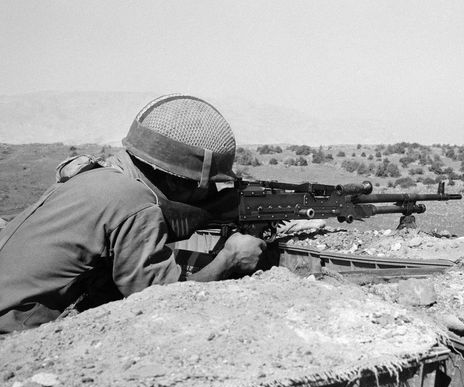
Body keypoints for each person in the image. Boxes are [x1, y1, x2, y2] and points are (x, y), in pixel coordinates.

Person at [0, 94, 266, 333]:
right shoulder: (136, 203)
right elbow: (166, 304)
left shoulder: (97, 176)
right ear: (179, 181)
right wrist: (230, 258)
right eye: (206, 186)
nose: (209, 194)